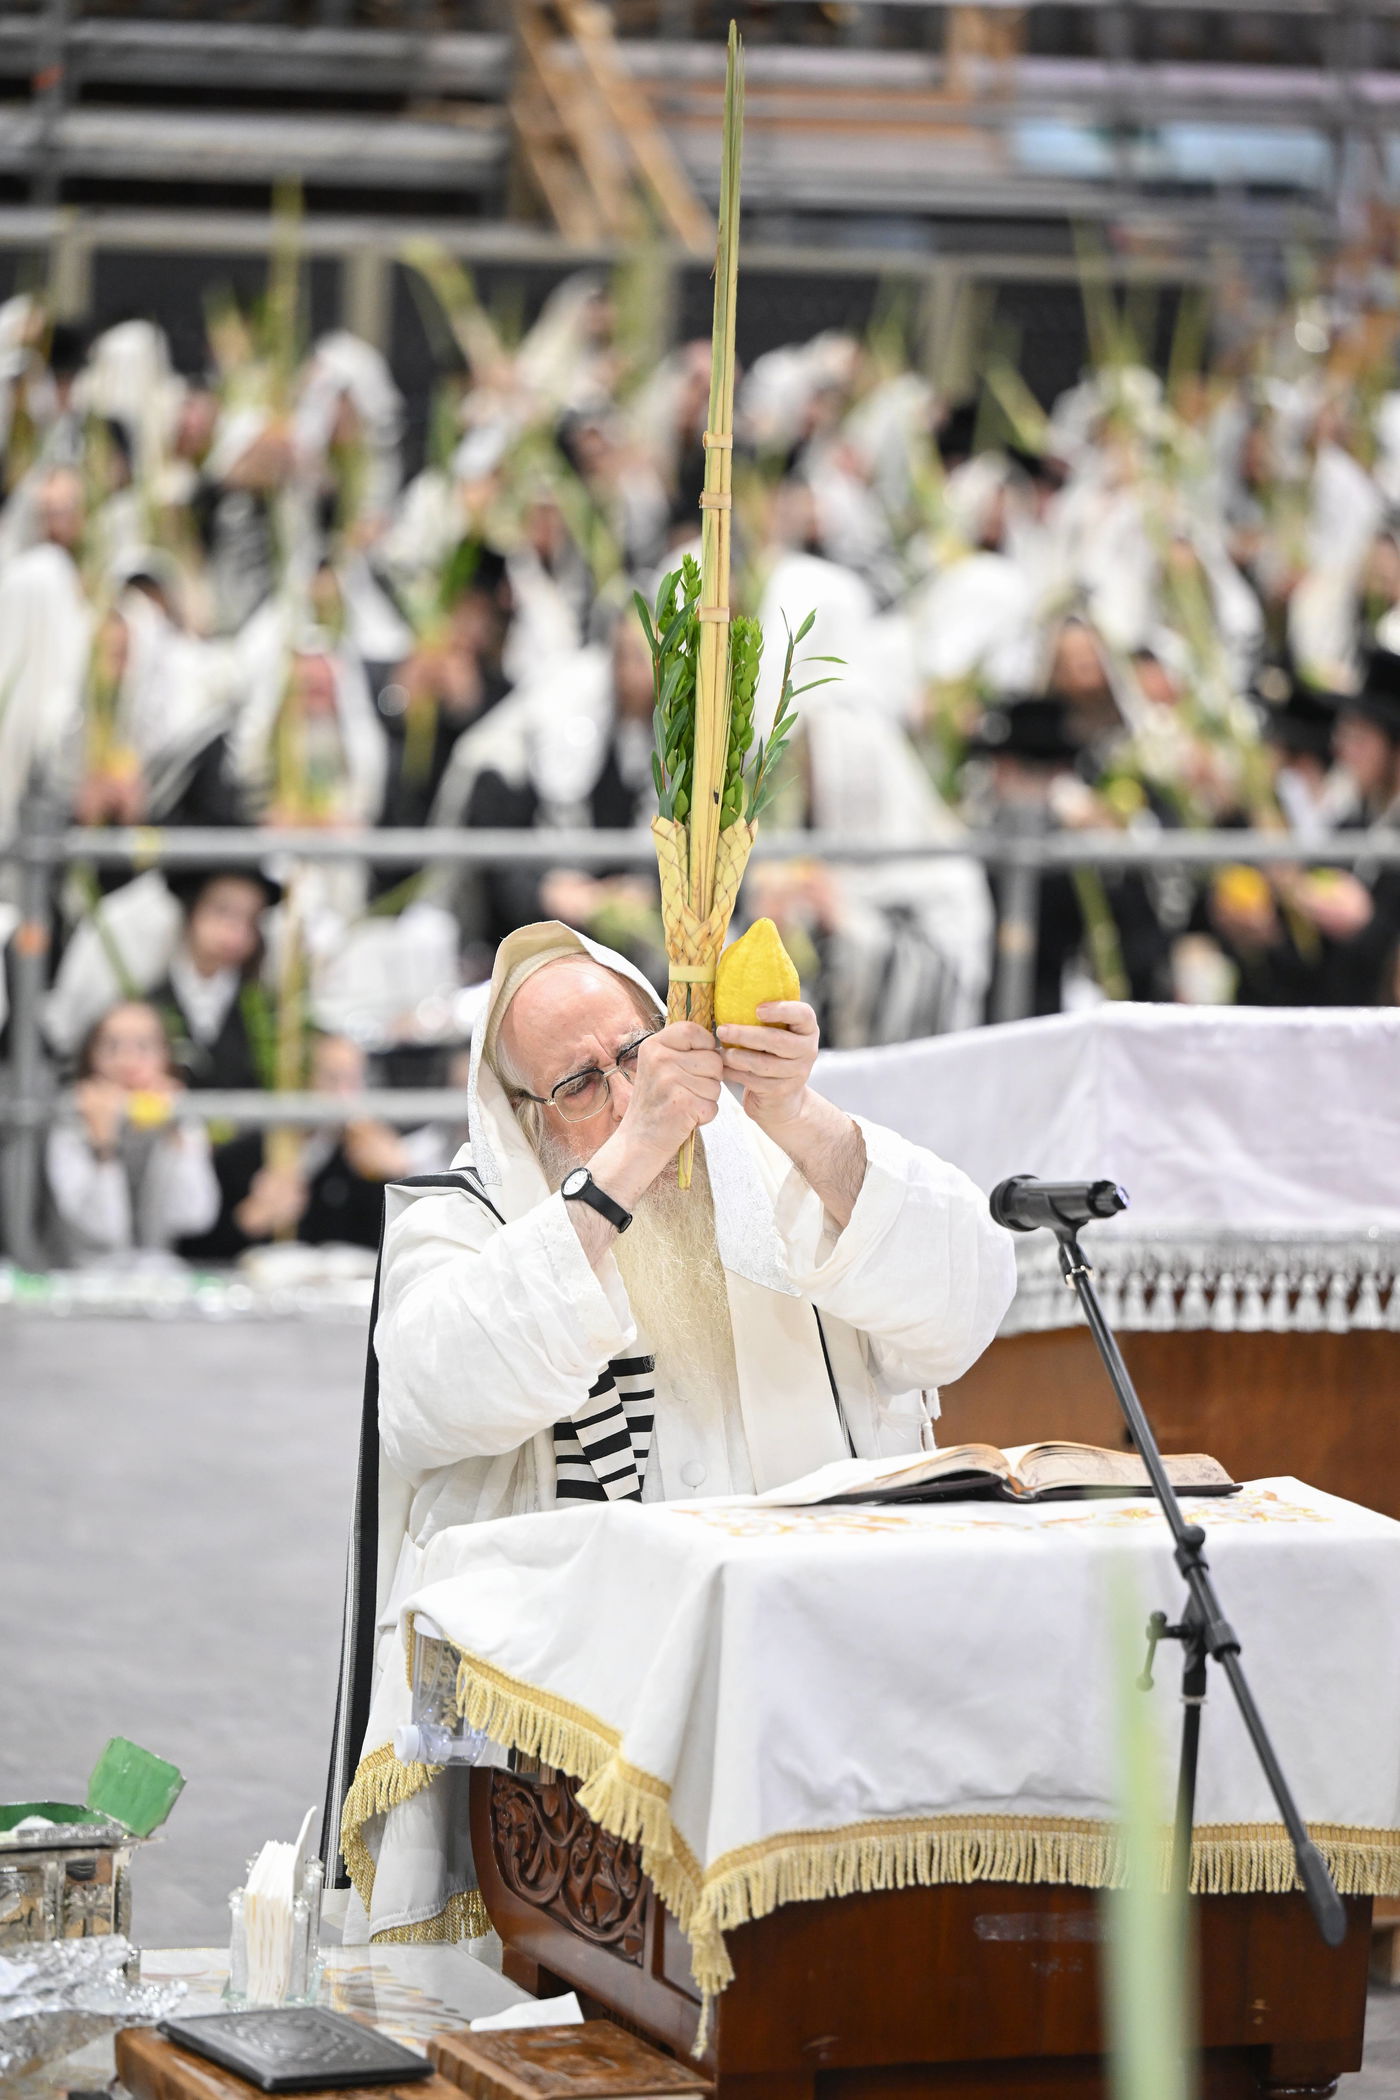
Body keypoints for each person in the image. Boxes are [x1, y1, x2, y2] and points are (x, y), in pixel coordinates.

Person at [335, 921, 1017, 1943]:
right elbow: (436, 1393)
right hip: (581, 1724)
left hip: (812, 1674)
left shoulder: (785, 1164)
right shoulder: (468, 1216)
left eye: (637, 1054)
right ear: (520, 1113)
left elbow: (966, 1302)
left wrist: (794, 1112)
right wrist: (629, 1157)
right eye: (580, 1084)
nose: (626, 1094)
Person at [46, 1000, 219, 1266]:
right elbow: (103, 1232)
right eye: (112, 1046)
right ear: (90, 1056)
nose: (127, 1060)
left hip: (158, 1273)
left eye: (143, 1046)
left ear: (166, 1056)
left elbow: (195, 1216)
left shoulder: (179, 1116)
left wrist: (175, 1135)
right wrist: (104, 1146)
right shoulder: (70, 1119)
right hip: (82, 1271)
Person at [152, 867, 280, 1091]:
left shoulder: (266, 1010)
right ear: (192, 910)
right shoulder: (151, 1002)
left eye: (250, 919)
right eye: (223, 911)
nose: (236, 932)